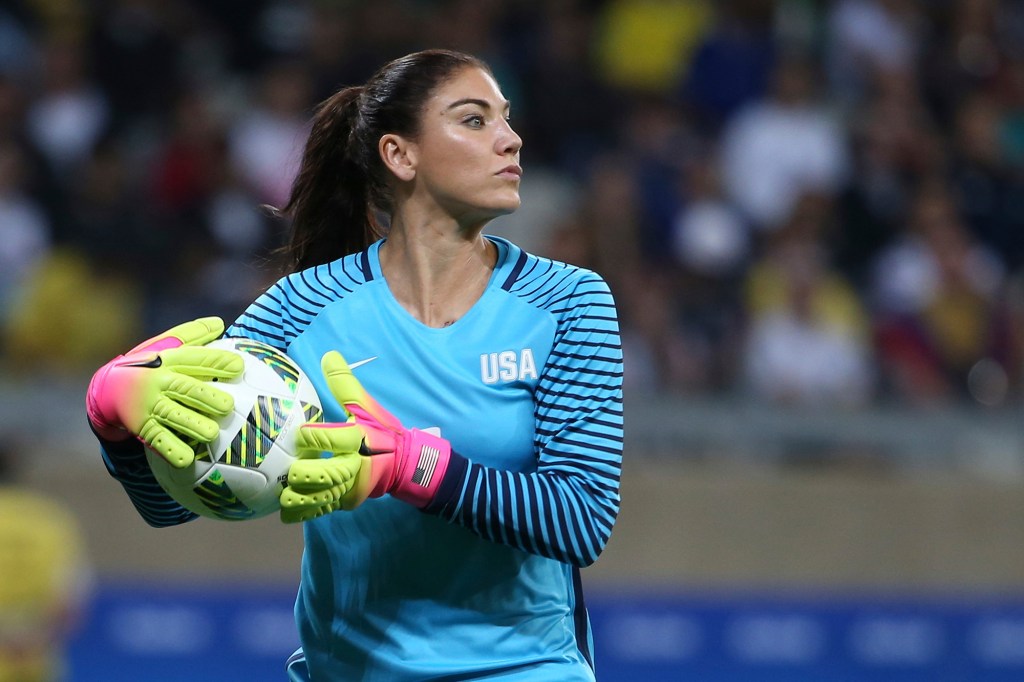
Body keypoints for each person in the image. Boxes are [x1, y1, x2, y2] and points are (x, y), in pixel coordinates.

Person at [84, 49, 624, 681]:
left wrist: (414, 468)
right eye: (475, 120)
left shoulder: (567, 300)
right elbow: (175, 504)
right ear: (400, 155)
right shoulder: (302, 306)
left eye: (506, 118)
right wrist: (117, 422)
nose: (512, 139)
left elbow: (581, 518)